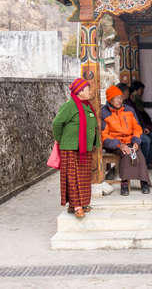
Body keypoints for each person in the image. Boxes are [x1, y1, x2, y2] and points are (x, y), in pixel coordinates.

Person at [52, 78, 99, 218]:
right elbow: (56, 123)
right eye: (87, 89)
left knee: (83, 178)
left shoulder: (86, 106)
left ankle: (80, 204)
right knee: (73, 178)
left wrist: (94, 143)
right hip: (70, 148)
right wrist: (61, 140)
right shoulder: (70, 106)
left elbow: (92, 126)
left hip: (84, 149)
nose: (90, 91)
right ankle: (77, 206)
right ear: (79, 92)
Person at [101, 86, 151, 196]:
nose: (119, 100)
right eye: (116, 98)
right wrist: (120, 145)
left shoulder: (129, 109)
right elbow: (104, 135)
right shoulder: (104, 112)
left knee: (139, 154)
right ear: (110, 99)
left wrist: (136, 142)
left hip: (130, 141)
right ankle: (124, 183)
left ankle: (144, 182)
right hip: (115, 143)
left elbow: (137, 128)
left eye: (120, 98)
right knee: (126, 153)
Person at [120, 82, 152, 169]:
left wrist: (143, 127)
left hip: (138, 128)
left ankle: (146, 162)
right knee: (146, 141)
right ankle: (141, 165)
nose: (128, 93)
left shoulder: (129, 102)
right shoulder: (120, 104)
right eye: (127, 91)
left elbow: (138, 117)